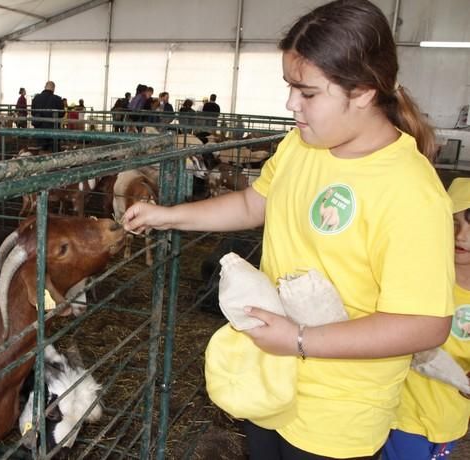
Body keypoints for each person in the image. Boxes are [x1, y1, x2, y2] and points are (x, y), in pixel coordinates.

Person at [122, 1, 453, 459]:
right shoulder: (303, 144)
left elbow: (425, 324)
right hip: (271, 386)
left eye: (308, 93)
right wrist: (168, 215)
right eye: (289, 87)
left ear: (363, 91)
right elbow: (251, 203)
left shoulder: (411, 192)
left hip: (337, 418)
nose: (290, 104)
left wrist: (299, 339)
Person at [381, 177, 470, 460]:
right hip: (402, 414)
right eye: (453, 223)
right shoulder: (419, 278)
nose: (461, 236)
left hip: (449, 420)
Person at [31, 81, 64, 151]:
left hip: (39, 129)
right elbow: (62, 114)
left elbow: (33, 112)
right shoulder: (57, 99)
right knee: (54, 151)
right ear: (53, 89)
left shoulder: (36, 98)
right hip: (53, 129)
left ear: (45, 87)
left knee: (40, 150)